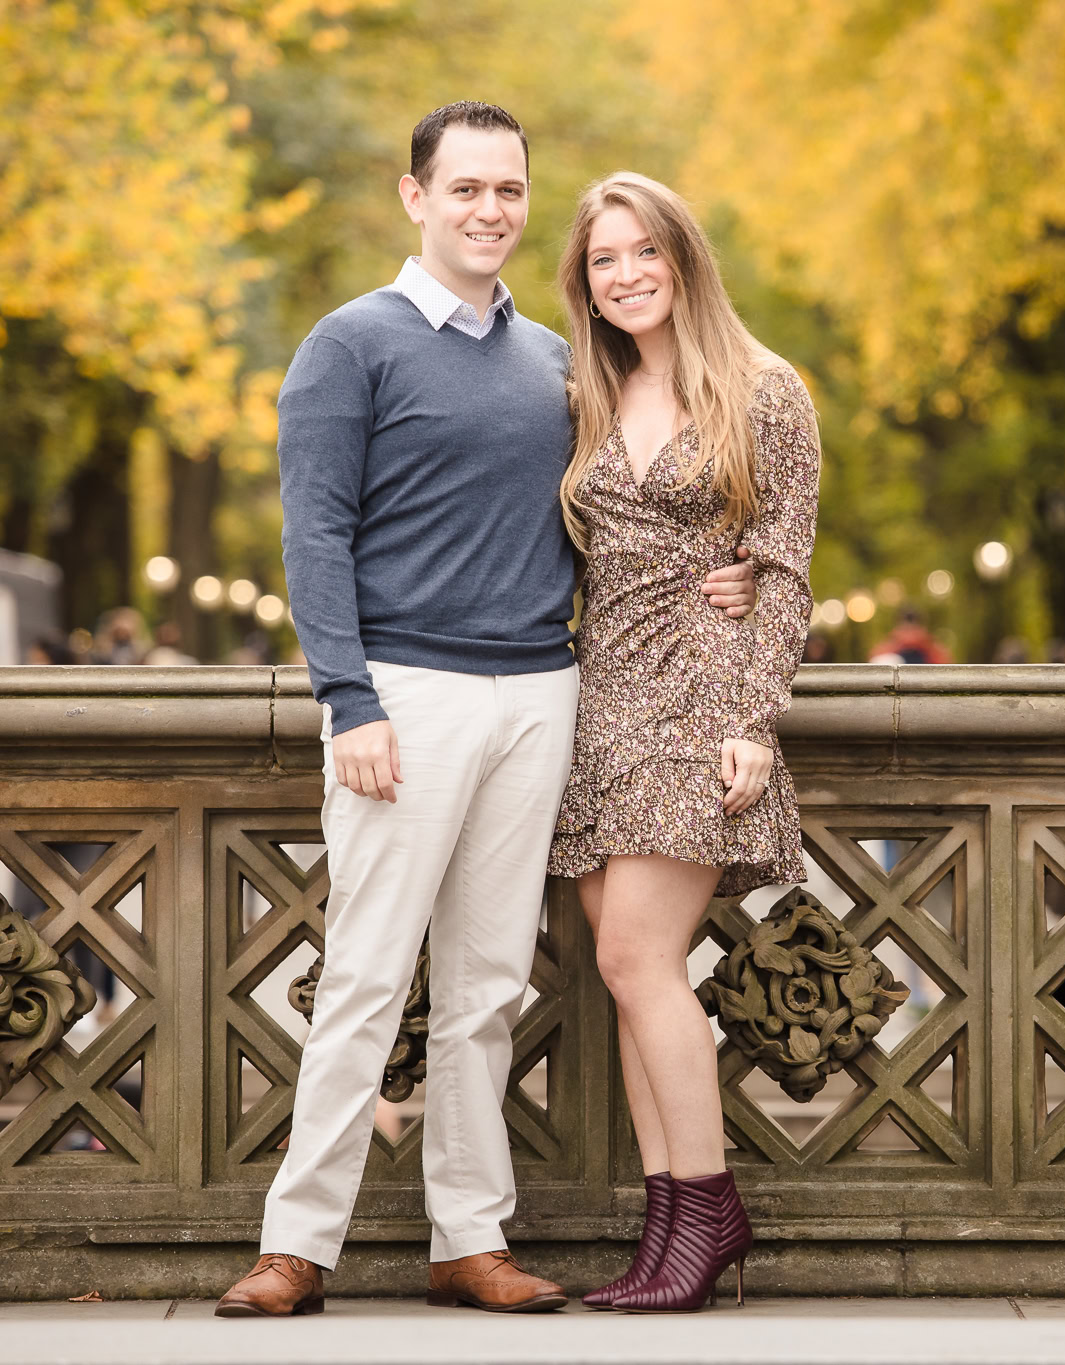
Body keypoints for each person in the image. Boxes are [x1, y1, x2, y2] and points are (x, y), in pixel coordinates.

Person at [214, 104, 757, 1319]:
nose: (489, 211)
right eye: (463, 189)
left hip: (543, 693)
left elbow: (630, 514)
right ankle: (295, 1245)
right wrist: (346, 698)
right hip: (403, 694)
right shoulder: (347, 345)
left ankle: (469, 1239)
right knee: (362, 974)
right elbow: (316, 535)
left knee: (485, 985)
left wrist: (728, 574)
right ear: (415, 198)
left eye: (507, 191)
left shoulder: (561, 364)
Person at [546, 172, 820, 1313]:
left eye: (642, 253)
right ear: (585, 284)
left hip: (701, 696)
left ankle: (705, 1209)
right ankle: (668, 1230)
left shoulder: (763, 392)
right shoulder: (584, 395)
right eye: (603, 261)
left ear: (683, 258)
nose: (625, 276)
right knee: (624, 974)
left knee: (634, 962)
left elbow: (787, 565)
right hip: (596, 698)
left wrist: (750, 716)